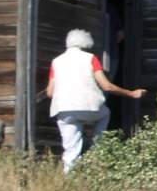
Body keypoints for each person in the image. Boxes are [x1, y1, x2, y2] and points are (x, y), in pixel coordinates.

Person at [46, 29, 145, 172]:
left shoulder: (56, 62)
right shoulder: (90, 58)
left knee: (70, 151)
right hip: (90, 108)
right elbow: (106, 86)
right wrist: (131, 93)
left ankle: (69, 180)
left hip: (63, 109)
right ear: (86, 43)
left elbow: (50, 92)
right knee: (105, 114)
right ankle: (97, 149)